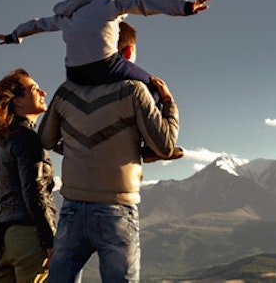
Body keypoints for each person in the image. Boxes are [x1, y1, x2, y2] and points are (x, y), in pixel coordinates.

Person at [39, 22, 182, 283]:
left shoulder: (65, 92)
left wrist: (73, 145)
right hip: (116, 208)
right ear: (127, 53)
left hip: (72, 208)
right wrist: (169, 103)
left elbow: (46, 139)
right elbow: (164, 145)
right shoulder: (134, 90)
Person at [0, 0, 210, 100]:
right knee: (152, 87)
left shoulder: (69, 13)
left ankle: (60, 140)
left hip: (74, 73)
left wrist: (14, 36)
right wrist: (186, 7)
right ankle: (151, 145)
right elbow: (146, 3)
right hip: (105, 65)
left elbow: (38, 24)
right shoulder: (113, 2)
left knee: (66, 101)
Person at [0, 69, 56, 283]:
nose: (43, 92)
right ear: (18, 101)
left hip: (3, 240)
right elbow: (34, 190)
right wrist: (50, 239)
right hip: (28, 238)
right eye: (34, 89)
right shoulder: (27, 138)